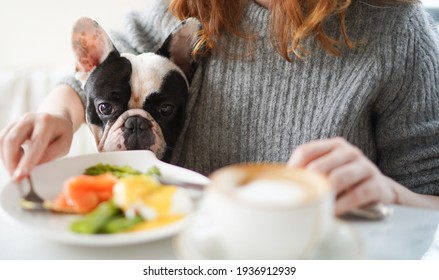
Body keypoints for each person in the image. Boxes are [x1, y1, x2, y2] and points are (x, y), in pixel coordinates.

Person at [1, 0, 439, 215]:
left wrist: (390, 194)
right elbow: (105, 69)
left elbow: (430, 196)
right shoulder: (197, 5)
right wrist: (58, 112)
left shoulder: (396, 28)